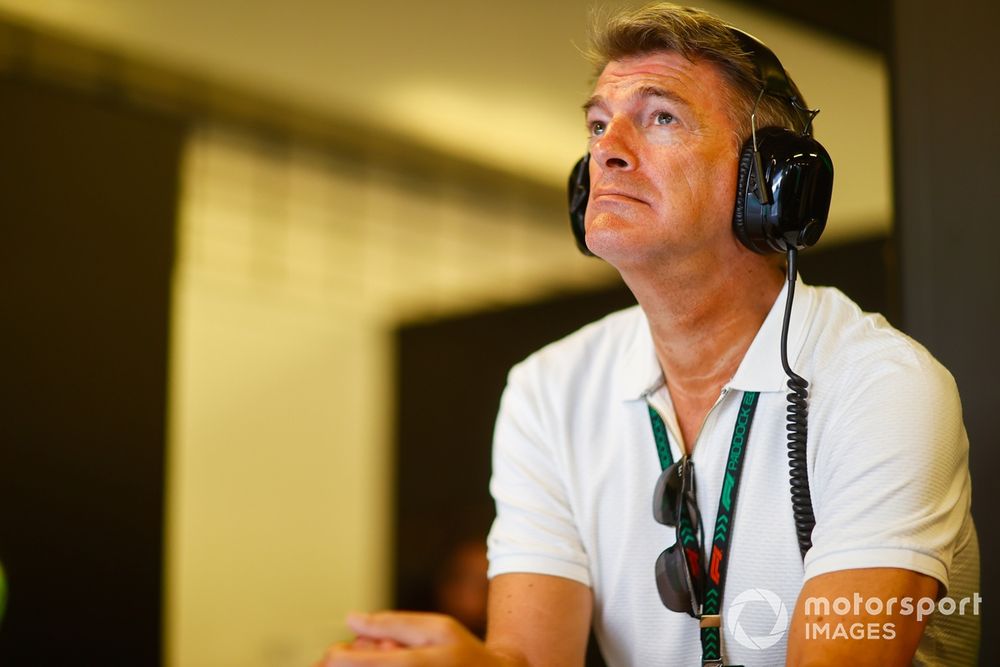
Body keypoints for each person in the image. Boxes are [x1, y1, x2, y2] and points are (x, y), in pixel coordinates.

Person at [318, 3, 979, 665]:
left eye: (661, 117)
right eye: (598, 125)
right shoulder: (548, 389)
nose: (607, 149)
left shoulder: (883, 386)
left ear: (770, 184)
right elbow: (529, 657)